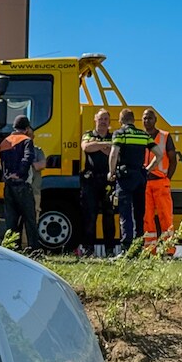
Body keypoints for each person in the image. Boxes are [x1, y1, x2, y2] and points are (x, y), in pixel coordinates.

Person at [108, 108, 163, 255]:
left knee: (125, 214)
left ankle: (127, 249)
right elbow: (159, 154)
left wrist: (111, 172)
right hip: (140, 177)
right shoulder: (143, 135)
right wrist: (147, 170)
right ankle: (138, 248)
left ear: (121, 120)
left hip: (125, 177)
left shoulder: (120, 134)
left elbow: (114, 155)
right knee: (139, 213)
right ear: (133, 120)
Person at [77, 109, 116, 257]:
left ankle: (110, 250)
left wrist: (97, 146)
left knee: (109, 216)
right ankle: (88, 249)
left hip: (108, 181)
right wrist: (105, 146)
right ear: (95, 119)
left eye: (106, 119)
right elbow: (86, 147)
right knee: (89, 215)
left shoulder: (114, 136)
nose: (103, 121)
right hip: (90, 181)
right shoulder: (88, 134)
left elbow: (116, 153)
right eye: (101, 118)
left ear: (109, 121)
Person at [0, 115, 39, 253]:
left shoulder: (4, 142)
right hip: (22, 184)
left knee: (11, 220)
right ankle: (34, 249)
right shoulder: (27, 140)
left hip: (8, 185)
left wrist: (8, 175)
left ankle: (11, 249)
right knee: (29, 219)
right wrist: (20, 173)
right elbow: (28, 158)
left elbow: (2, 164)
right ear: (27, 129)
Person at [142, 109, 177, 256]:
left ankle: (168, 251)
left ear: (155, 120)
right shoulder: (141, 137)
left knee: (166, 218)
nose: (147, 121)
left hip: (161, 182)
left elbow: (173, 159)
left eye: (149, 118)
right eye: (144, 118)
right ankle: (151, 251)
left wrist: (167, 178)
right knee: (147, 218)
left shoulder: (165, 136)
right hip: (145, 183)